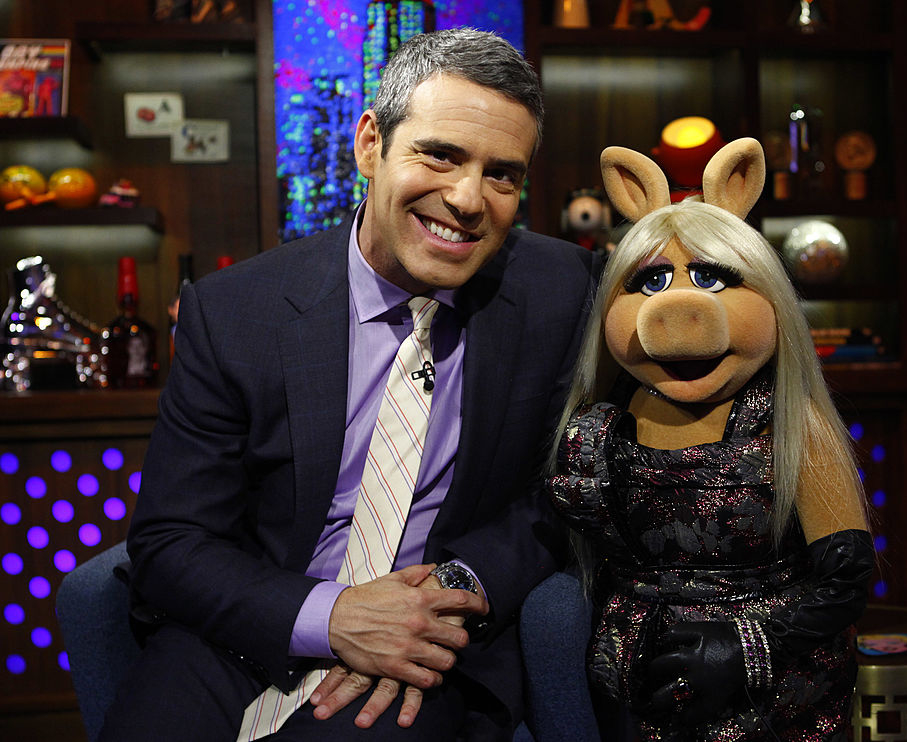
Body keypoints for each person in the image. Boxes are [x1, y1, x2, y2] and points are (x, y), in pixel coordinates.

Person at [99, 28, 599, 741]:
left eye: (502, 175)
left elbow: (564, 495)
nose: (466, 198)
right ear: (370, 143)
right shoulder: (235, 311)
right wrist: (331, 617)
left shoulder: (561, 292)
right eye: (440, 154)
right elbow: (173, 539)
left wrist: (453, 592)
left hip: (426, 648)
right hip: (249, 628)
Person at [546, 142, 873, 740]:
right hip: (633, 689)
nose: (675, 307)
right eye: (648, 281)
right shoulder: (601, 428)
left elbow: (845, 579)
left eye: (711, 277)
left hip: (766, 696)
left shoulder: (789, 426)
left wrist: (746, 644)